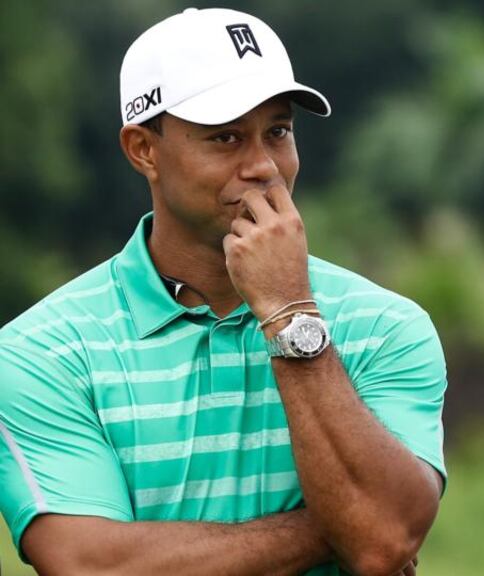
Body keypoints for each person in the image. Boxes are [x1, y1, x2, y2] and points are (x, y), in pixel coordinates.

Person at [0, 8, 445, 576]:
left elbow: (381, 542)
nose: (264, 167)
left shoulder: (385, 325)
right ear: (144, 150)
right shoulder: (42, 352)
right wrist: (340, 522)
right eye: (226, 137)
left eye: (278, 132)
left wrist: (290, 314)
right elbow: (91, 566)